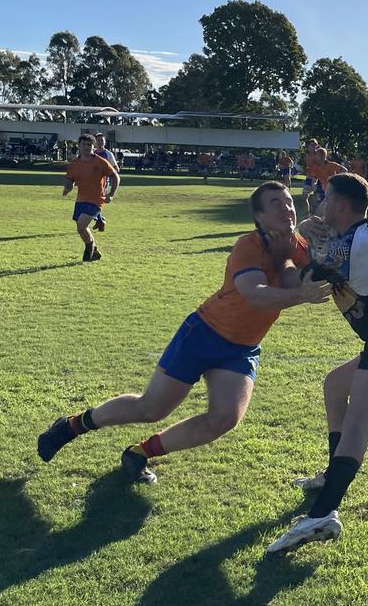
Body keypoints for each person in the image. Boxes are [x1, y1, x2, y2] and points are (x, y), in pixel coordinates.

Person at [37, 182, 332, 479]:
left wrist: (321, 251)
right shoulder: (248, 245)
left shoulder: (297, 247)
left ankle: (140, 453)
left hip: (242, 347)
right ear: (259, 218)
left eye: (288, 203)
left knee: (225, 418)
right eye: (275, 204)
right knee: (150, 408)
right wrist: (301, 289)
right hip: (205, 333)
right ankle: (72, 425)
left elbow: (300, 286)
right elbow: (254, 293)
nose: (286, 208)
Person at [267, 173, 368, 553]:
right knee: (335, 385)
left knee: (358, 423)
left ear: (341, 206)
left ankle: (323, 513)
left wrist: (290, 242)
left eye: (325, 198)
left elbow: (305, 282)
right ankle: (331, 476)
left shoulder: (349, 246)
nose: (320, 204)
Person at [63, 133, 120, 261]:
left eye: (89, 144)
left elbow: (115, 176)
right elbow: (70, 179)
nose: (86, 147)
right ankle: (94, 250)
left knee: (82, 225)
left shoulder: (100, 162)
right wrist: (67, 188)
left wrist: (111, 195)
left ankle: (89, 248)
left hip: (96, 199)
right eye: (83, 144)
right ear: (79, 146)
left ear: (93, 146)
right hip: (81, 199)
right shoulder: (74, 164)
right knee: (80, 228)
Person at [93, 134, 120, 232]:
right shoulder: (92, 153)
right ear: (95, 142)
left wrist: (107, 173)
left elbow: (116, 168)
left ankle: (99, 220)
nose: (100, 142)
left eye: (102, 140)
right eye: (98, 140)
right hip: (91, 181)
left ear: (105, 142)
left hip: (103, 182)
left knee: (95, 200)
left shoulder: (108, 154)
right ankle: (99, 220)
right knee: (92, 200)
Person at [309, 147, 345, 215]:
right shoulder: (315, 167)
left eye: (317, 155)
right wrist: (313, 184)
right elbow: (314, 178)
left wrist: (338, 179)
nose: (315, 156)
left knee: (325, 207)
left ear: (323, 156)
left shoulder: (332, 165)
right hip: (323, 189)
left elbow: (344, 170)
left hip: (333, 189)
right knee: (319, 206)